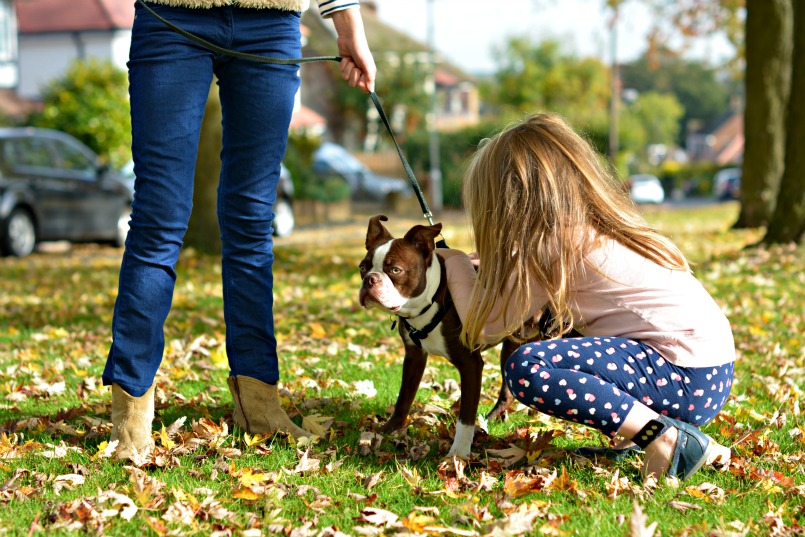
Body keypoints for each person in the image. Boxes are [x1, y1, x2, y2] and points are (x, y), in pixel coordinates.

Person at [103, 0, 376, 461]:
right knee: (158, 218)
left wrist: (348, 23)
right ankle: (131, 415)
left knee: (252, 221)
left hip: (271, 19)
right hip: (173, 15)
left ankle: (260, 405)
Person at [439, 113, 735, 481]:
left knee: (529, 367)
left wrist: (453, 264)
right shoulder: (596, 231)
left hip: (683, 378)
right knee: (563, 329)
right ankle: (648, 436)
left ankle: (663, 437)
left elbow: (483, 328)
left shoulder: (547, 249)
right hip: (712, 373)